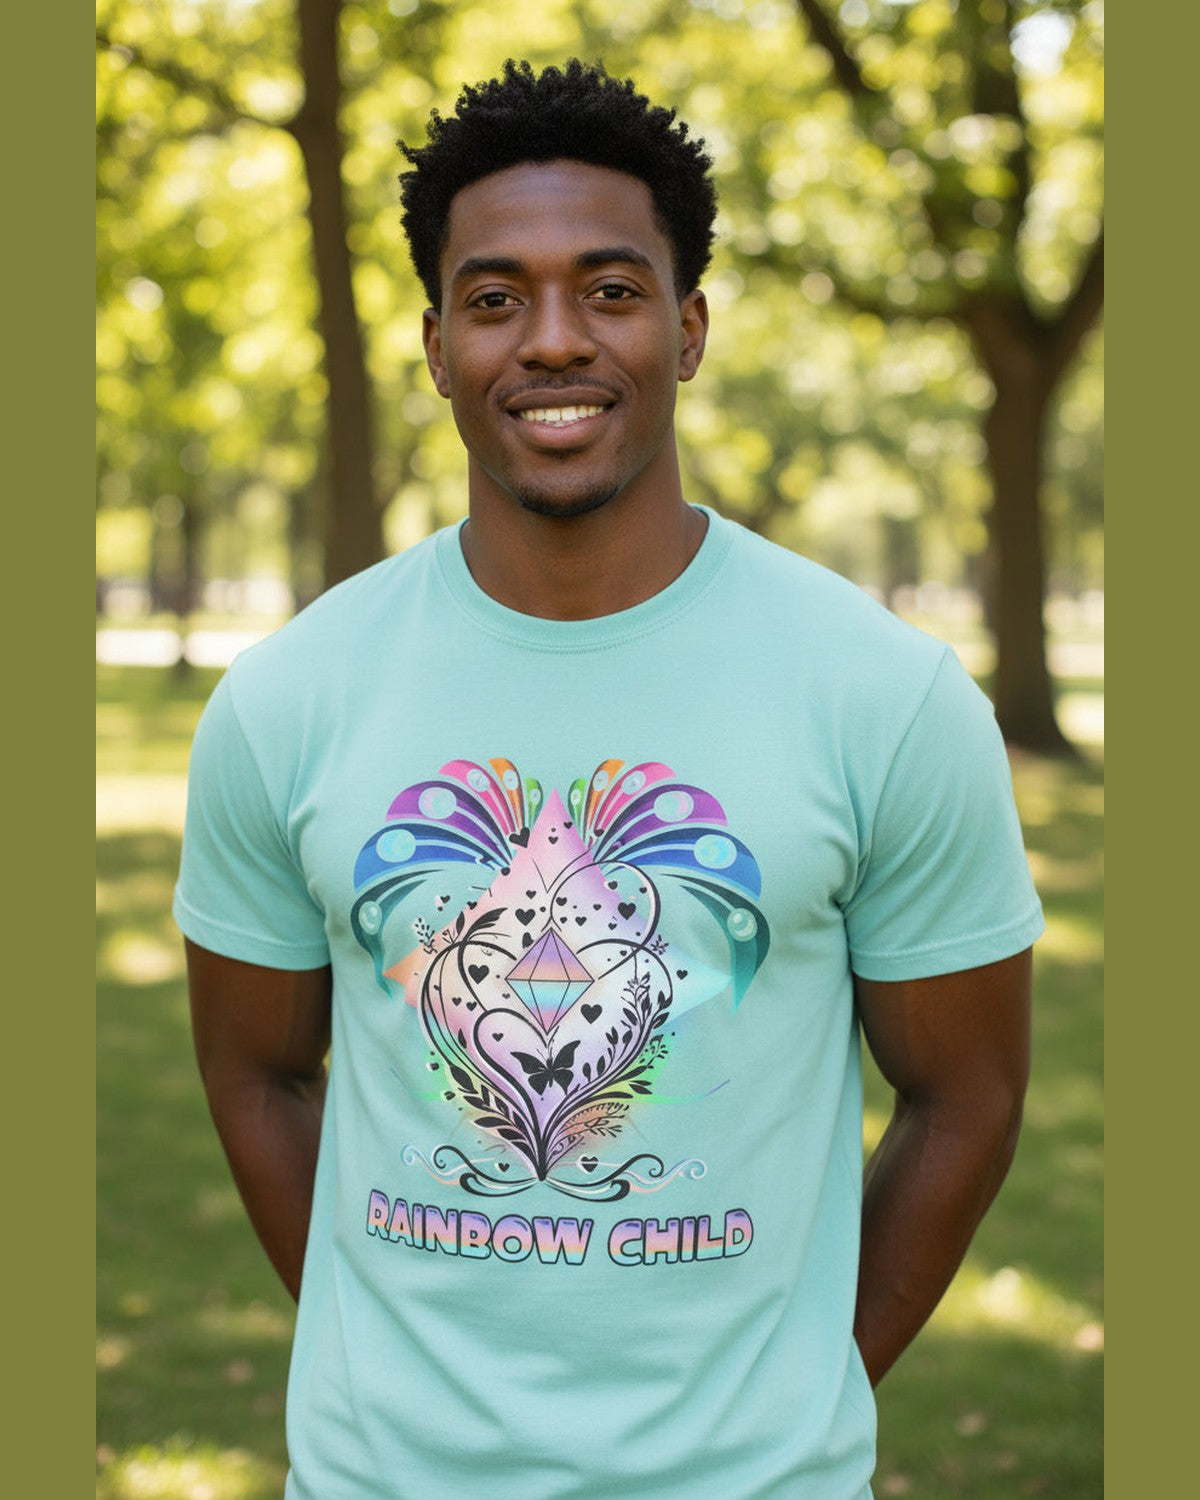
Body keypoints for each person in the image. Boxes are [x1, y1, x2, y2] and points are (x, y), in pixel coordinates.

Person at [175, 58, 1043, 1500]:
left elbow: (969, 1100)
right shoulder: (287, 700)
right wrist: (393, 1367)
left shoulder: (883, 698)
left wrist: (794, 1389)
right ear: (438, 345)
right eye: (497, 297)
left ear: (690, 330)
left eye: (614, 290)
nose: (555, 341)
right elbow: (256, 1072)